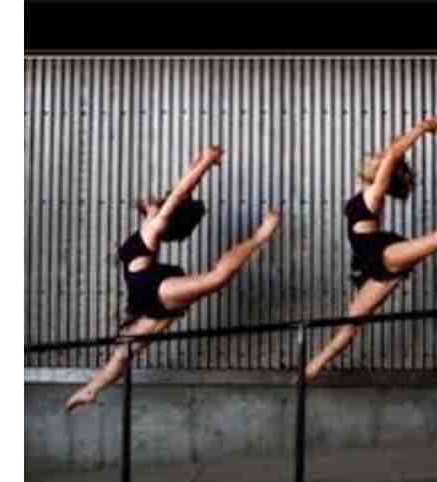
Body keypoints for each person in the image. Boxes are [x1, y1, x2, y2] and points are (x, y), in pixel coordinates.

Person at [65, 145, 281, 411]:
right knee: (123, 353)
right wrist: (200, 164)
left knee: (216, 278)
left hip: (155, 288)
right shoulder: (152, 224)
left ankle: (261, 235)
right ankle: (91, 390)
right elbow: (180, 193)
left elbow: (179, 194)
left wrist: (206, 162)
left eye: (160, 201)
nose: (153, 198)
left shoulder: (154, 226)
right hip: (145, 297)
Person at [304, 115, 437, 382]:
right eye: (376, 156)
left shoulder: (374, 193)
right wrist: (400, 147)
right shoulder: (369, 190)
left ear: (383, 171)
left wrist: (423, 129)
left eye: (380, 158)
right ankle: (312, 368)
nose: (375, 156)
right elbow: (395, 149)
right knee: (351, 322)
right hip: (371, 265)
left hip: (382, 253)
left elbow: (394, 152)